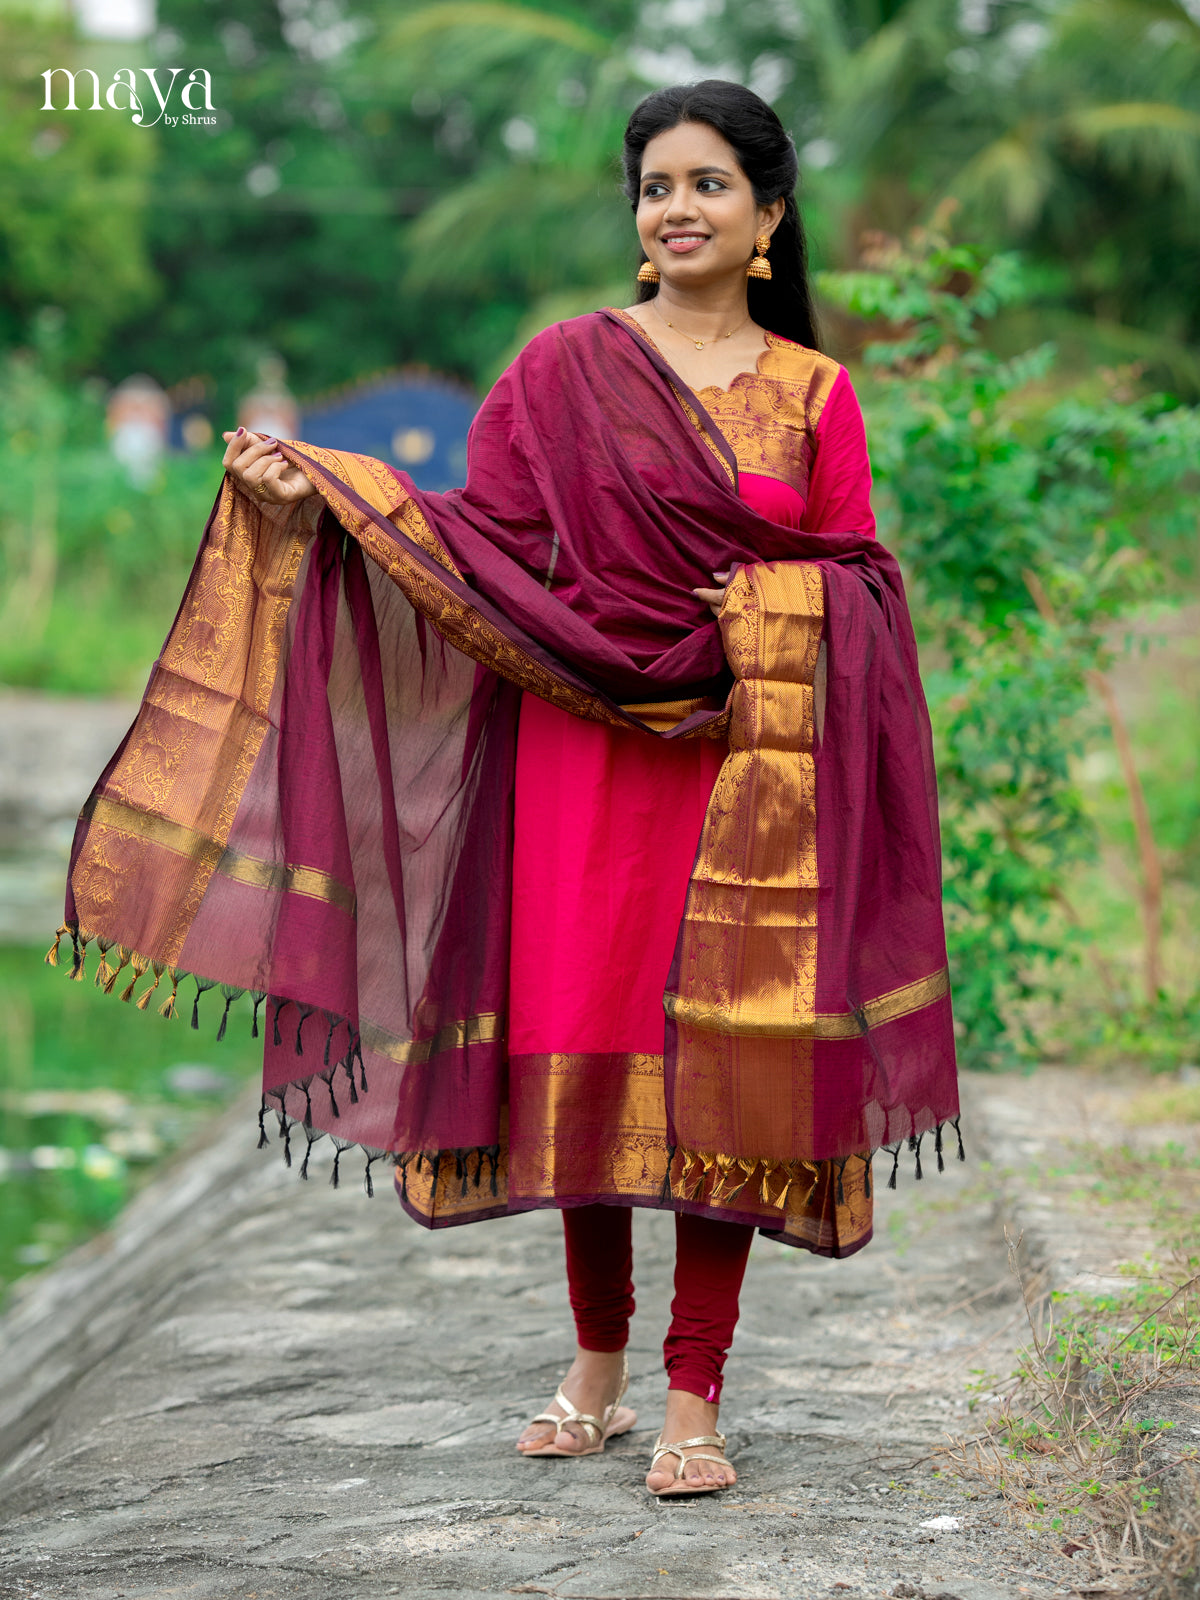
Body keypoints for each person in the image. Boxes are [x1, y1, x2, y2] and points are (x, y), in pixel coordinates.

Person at [58, 81, 959, 1499]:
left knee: (723, 1071)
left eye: (710, 183)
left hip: (738, 770)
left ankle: (693, 1393)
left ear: (771, 217)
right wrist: (327, 496)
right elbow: (483, 540)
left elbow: (862, 583)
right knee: (592, 1056)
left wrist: (773, 612)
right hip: (581, 752)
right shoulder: (562, 372)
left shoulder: (815, 395)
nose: (677, 206)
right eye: (656, 183)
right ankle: (594, 1368)